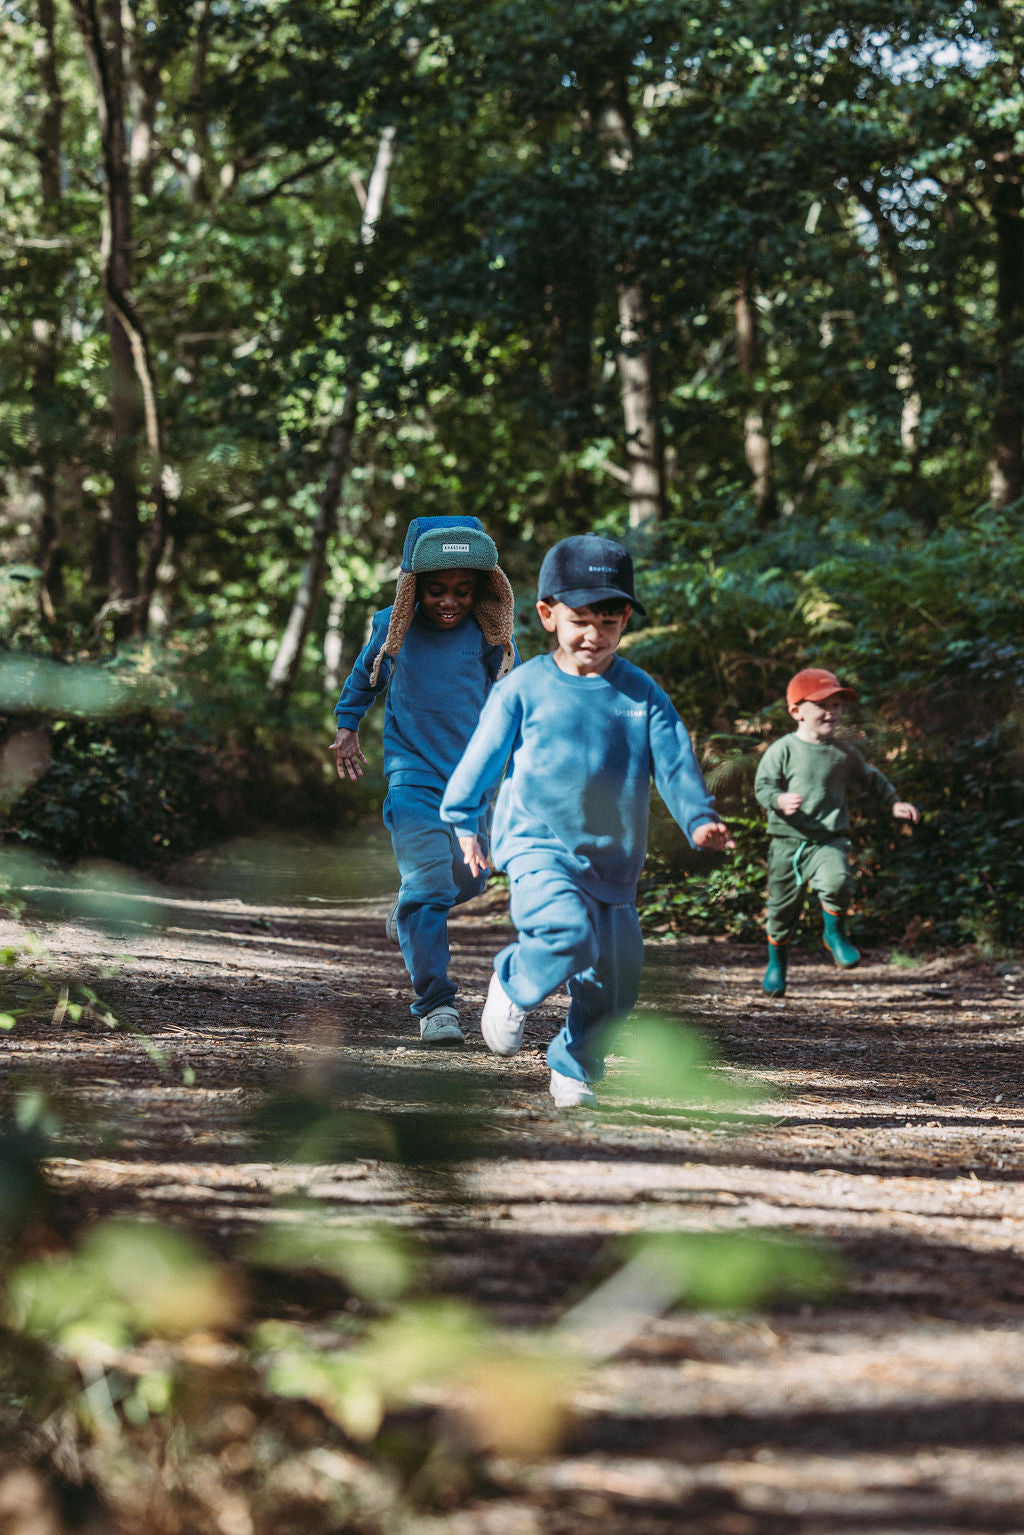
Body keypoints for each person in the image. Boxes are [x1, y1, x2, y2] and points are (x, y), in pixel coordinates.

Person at [440, 532, 733, 1108]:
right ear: (548, 615)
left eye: (609, 621)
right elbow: (482, 759)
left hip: (614, 862)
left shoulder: (641, 694)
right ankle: (514, 979)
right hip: (536, 847)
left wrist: (698, 819)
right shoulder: (522, 689)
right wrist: (464, 821)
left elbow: (674, 763)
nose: (593, 636)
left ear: (625, 619)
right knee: (564, 934)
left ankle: (574, 1068)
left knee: (616, 987)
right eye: (579, 620)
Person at [331, 515, 517, 1044]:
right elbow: (364, 678)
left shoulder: (490, 637)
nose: (448, 602)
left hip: (475, 783)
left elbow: (517, 699)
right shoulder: (395, 627)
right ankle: (436, 1005)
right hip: (413, 777)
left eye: (462, 590)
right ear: (416, 587)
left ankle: (410, 903)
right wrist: (347, 727)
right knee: (432, 886)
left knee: (470, 881)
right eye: (436, 590)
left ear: (481, 589)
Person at [754, 666, 920, 997]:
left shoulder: (843, 752)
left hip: (828, 840)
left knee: (839, 880)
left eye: (837, 706)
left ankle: (834, 934)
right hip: (787, 843)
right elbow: (763, 786)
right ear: (797, 711)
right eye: (822, 705)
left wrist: (893, 803)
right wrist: (778, 799)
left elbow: (871, 778)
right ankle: (777, 964)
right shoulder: (783, 750)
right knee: (782, 912)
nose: (831, 713)